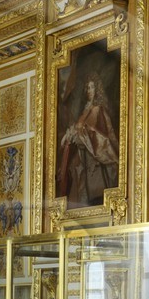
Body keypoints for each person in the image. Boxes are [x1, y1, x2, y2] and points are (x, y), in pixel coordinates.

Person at [55, 75, 118, 209]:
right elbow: (79, 128)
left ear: (97, 89)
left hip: (94, 157)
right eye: (87, 88)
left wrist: (79, 135)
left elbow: (96, 133)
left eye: (92, 87)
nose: (89, 90)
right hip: (83, 156)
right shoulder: (86, 109)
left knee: (95, 195)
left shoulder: (97, 110)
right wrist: (70, 134)